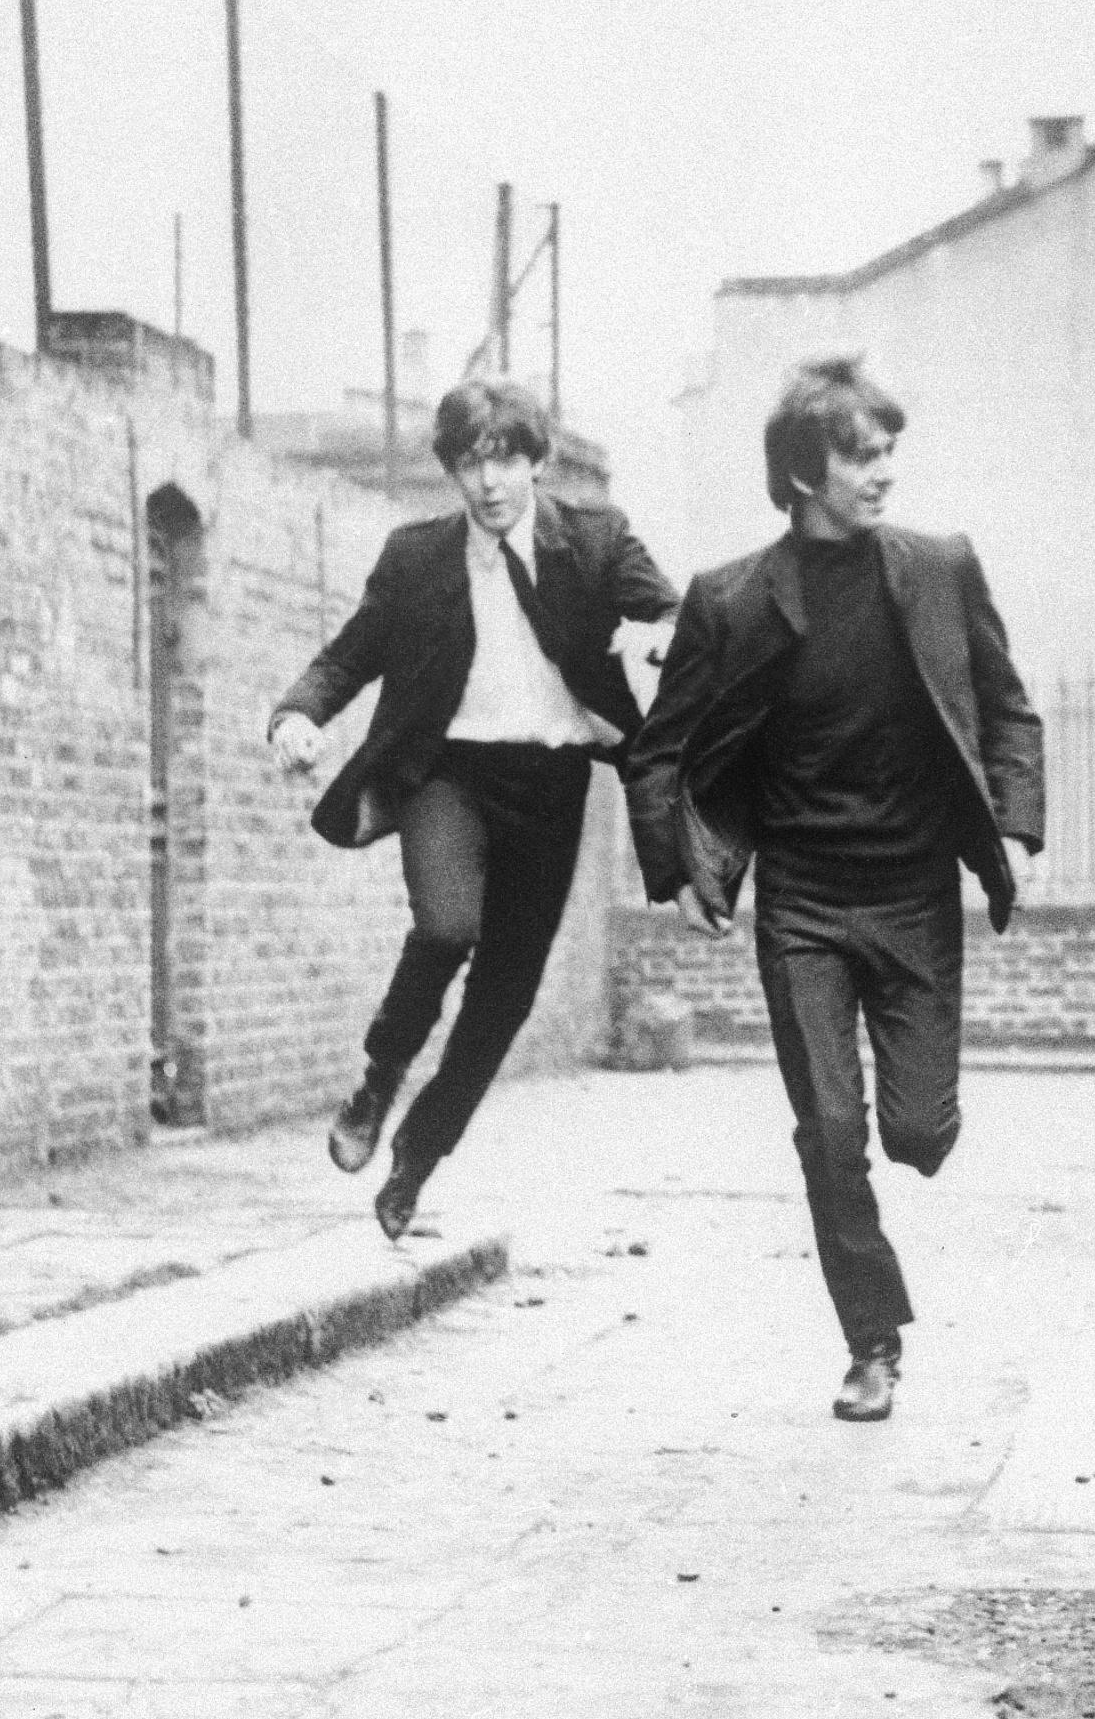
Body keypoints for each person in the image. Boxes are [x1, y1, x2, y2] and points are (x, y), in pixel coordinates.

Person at [625, 358, 1043, 1424]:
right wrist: (677, 867)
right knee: (829, 1126)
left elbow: (1008, 707)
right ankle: (873, 1339)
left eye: (889, 449)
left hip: (913, 893)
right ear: (805, 473)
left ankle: (919, 1142)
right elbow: (658, 749)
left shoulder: (940, 566)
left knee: (916, 1131)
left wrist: (1018, 823)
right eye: (862, 454)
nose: (885, 473)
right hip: (802, 900)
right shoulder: (730, 597)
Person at [269, 379, 678, 1241]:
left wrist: (660, 633)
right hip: (447, 772)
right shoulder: (416, 556)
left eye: (505, 458)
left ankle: (419, 1153)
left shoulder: (596, 541)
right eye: (469, 462)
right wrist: (297, 714)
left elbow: (672, 613)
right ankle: (378, 1079)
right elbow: (349, 657)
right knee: (447, 926)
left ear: (537, 459)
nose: (489, 482)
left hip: (553, 780)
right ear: (451, 468)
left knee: (505, 995)